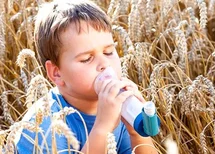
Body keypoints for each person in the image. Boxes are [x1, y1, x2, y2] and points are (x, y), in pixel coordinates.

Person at [15, 0, 157, 153]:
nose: (104, 63)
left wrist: (137, 132)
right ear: (57, 73)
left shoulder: (118, 106)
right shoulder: (45, 127)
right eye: (86, 59)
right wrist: (103, 128)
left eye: (109, 52)